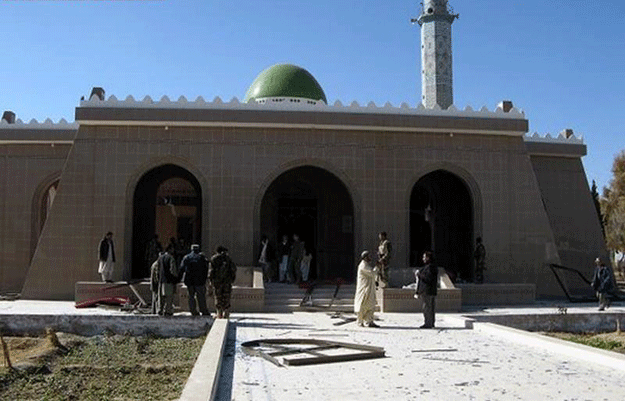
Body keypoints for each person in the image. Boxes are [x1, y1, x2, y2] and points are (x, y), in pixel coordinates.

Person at [181, 244, 210, 316]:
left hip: (190, 281)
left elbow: (182, 268)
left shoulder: (187, 257)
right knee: (201, 296)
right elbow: (206, 269)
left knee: (191, 296)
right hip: (200, 281)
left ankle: (193, 311)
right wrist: (205, 279)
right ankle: (203, 310)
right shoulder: (202, 258)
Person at [209, 246, 237, 318]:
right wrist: (232, 279)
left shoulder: (214, 259)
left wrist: (211, 280)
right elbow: (233, 269)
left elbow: (211, 271)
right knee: (226, 296)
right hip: (227, 281)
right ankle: (226, 313)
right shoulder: (228, 259)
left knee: (218, 297)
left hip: (217, 282)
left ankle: (219, 313)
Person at [354, 251, 379, 327]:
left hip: (369, 289)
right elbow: (372, 273)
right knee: (362, 305)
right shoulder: (363, 266)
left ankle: (369, 321)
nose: (370, 258)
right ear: (365, 257)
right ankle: (360, 321)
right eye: (368, 256)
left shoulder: (367, 265)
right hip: (364, 290)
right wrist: (377, 266)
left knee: (371, 304)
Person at [416, 251, 438, 328]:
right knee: (430, 308)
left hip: (428, 291)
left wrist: (419, 275)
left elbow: (428, 278)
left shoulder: (430, 267)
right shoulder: (430, 267)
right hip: (431, 291)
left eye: (424, 257)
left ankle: (428, 323)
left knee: (427, 308)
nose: (423, 259)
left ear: (428, 258)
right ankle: (431, 323)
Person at [158, 247, 181, 316]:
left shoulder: (160, 258)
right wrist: (175, 279)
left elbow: (158, 269)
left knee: (161, 297)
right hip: (168, 281)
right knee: (169, 297)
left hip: (161, 280)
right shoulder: (171, 258)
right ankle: (168, 311)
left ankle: (160, 310)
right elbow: (173, 270)